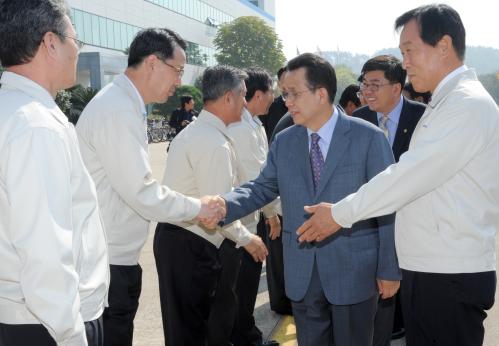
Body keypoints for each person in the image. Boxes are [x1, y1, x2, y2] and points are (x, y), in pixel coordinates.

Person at [298, 4, 499, 346]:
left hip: (447, 275)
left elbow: (407, 176)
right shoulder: (446, 103)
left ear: (444, 46)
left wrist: (340, 214)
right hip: (431, 269)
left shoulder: (466, 105)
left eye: (409, 51)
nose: (404, 63)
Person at [207, 53, 401, 346]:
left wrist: (389, 268)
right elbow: (262, 187)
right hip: (302, 271)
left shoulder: (369, 138)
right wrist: (224, 204)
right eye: (285, 93)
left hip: (353, 271)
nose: (287, 101)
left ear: (321, 94)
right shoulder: (285, 141)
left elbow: (388, 207)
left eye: (294, 93)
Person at [76, 28, 223, 346]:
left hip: (117, 256)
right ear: (154, 63)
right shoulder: (117, 109)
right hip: (108, 261)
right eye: (178, 69)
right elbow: (142, 192)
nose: (179, 81)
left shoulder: (126, 104)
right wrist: (199, 207)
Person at [0, 1, 108, 345]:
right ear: (50, 43)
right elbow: (46, 252)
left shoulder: (14, 111)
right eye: (76, 39)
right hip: (48, 326)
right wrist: (72, 335)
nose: (78, 50)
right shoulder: (35, 125)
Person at [154, 65, 268, 346]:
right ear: (228, 97)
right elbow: (218, 211)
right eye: (242, 95)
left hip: (184, 241)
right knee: (193, 333)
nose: (245, 102)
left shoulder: (204, 133)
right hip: (190, 244)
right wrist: (249, 239)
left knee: (189, 329)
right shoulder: (212, 142)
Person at [352, 54, 426, 345]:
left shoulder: (421, 118)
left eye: (375, 84)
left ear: (396, 87)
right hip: (369, 223)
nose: (367, 91)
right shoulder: (357, 119)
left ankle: (403, 323)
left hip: (412, 219)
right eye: (364, 84)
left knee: (408, 286)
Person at [227, 67, 280, 346]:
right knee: (243, 284)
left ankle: (247, 335)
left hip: (249, 214)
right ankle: (246, 338)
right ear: (257, 94)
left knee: (244, 284)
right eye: (271, 91)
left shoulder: (253, 123)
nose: (274, 97)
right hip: (242, 219)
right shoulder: (242, 127)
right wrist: (273, 212)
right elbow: (257, 178)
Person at [259, 67, 288, 138]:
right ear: (279, 83)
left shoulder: (306, 106)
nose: (289, 84)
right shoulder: (268, 107)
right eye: (286, 80)